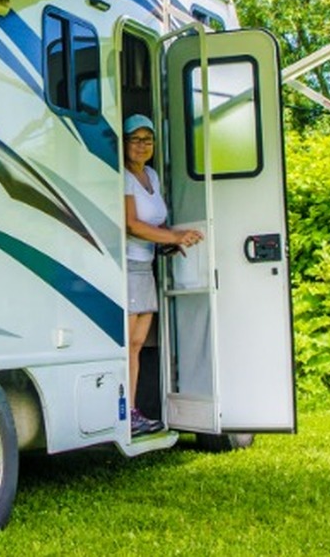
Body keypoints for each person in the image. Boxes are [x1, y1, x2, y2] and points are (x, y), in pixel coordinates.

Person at [121, 114, 203, 435]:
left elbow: (154, 224)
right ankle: (124, 411)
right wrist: (172, 237)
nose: (142, 146)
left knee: (138, 343)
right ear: (124, 143)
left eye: (148, 139)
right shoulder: (123, 176)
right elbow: (130, 224)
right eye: (135, 139)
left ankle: (132, 412)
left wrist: (170, 241)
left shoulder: (151, 175)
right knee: (127, 343)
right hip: (127, 264)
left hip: (145, 265)